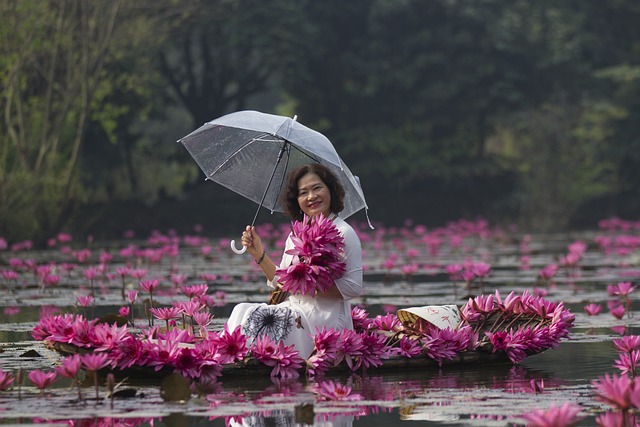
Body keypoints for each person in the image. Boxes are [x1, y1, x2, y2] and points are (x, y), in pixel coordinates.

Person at [226, 163, 364, 359]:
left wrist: (310, 284)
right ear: (296, 200)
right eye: (303, 192)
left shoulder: (344, 232)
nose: (311, 197)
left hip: (325, 320)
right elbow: (281, 283)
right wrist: (259, 254)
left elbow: (353, 287)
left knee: (260, 319)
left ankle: (241, 359)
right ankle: (231, 357)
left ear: (331, 191)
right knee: (241, 309)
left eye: (317, 188)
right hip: (294, 309)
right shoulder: (296, 233)